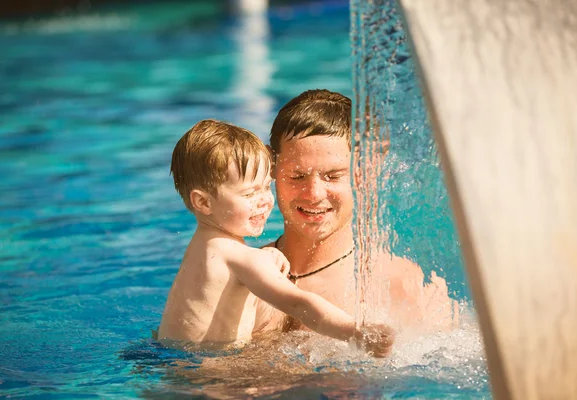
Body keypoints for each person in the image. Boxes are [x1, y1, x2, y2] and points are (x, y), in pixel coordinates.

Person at [157, 119, 394, 357]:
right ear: (203, 202)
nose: (265, 200)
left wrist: (261, 256)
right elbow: (298, 304)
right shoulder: (243, 259)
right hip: (208, 374)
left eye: (265, 187)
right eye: (250, 193)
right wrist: (356, 333)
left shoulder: (204, 247)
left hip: (169, 360)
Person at [254, 89, 458, 336]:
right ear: (271, 167)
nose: (314, 194)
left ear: (364, 171)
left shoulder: (404, 285)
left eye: (333, 176)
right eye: (297, 176)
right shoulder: (242, 274)